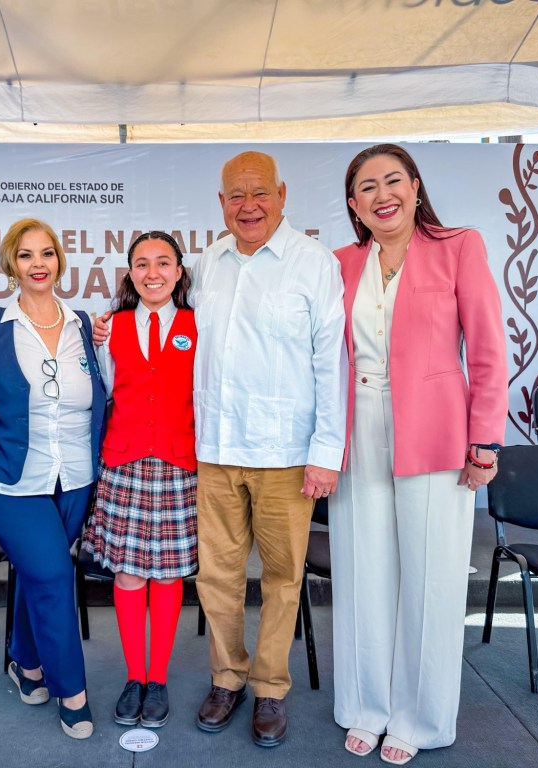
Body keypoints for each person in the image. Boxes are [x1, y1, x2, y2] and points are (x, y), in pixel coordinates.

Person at [330, 144, 508, 766]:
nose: (383, 195)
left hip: (436, 434)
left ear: (414, 185)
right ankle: (365, 707)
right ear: (353, 205)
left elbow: (487, 350)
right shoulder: (341, 263)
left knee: (430, 579)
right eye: (367, 187)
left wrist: (485, 440)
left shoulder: (459, 246)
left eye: (392, 180)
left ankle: (420, 718)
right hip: (358, 432)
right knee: (362, 573)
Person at [188, 151, 346, 747]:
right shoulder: (210, 262)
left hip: (287, 454)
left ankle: (270, 689)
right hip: (218, 449)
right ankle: (226, 677)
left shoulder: (314, 263)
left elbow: (330, 363)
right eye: (235, 195)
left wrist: (326, 451)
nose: (248, 205)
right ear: (221, 203)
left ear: (281, 194)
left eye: (259, 193)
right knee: (217, 577)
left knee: (282, 579)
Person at [0, 218, 106, 740]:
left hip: (74, 476)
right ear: (11, 265)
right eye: (26, 255)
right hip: (8, 482)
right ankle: (72, 693)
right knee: (52, 576)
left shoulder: (86, 325)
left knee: (38, 571)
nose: (38, 264)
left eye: (47, 253)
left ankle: (24, 663)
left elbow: (106, 394)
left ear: (59, 260)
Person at [82, 231, 197, 730]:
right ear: (130, 274)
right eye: (142, 264)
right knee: (129, 574)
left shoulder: (200, 325)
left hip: (177, 464)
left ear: (178, 272)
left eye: (163, 263)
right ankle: (135, 677)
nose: (153, 273)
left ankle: (158, 677)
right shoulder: (111, 330)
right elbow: (101, 392)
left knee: (168, 575)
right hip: (125, 464)